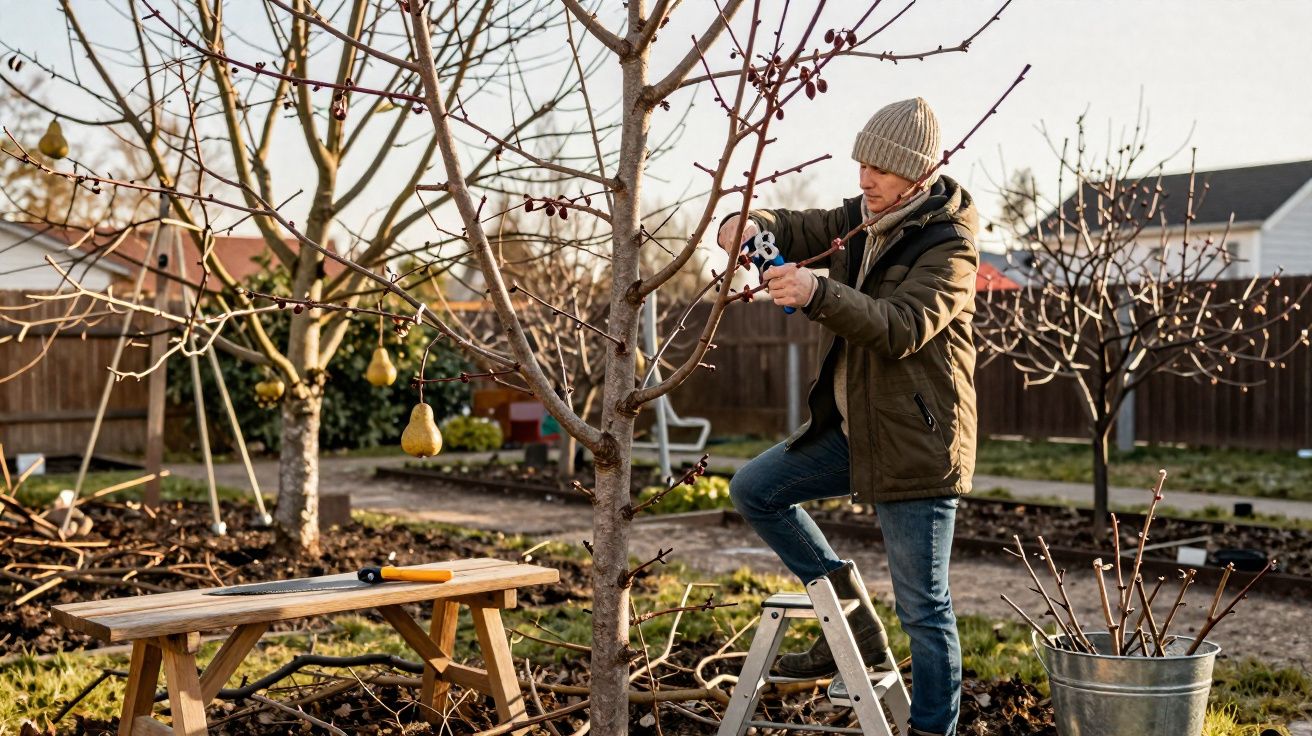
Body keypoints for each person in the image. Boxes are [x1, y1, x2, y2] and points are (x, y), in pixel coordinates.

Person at [719, 97, 978, 736]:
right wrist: (747, 222)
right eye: (862, 163)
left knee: (923, 609)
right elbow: (796, 224)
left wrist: (817, 292)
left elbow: (899, 328)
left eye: (881, 171)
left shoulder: (951, 250)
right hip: (853, 431)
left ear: (917, 176)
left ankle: (930, 729)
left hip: (917, 443)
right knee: (756, 490)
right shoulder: (859, 218)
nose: (865, 179)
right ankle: (855, 624)